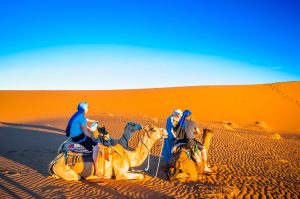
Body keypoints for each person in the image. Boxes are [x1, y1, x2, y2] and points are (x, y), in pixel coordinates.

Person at [65, 102, 103, 178]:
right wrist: (93, 138)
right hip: (79, 137)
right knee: (96, 146)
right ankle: (97, 170)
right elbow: (86, 132)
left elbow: (86, 119)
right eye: (87, 107)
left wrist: (93, 121)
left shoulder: (77, 114)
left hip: (74, 136)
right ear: (85, 109)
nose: (88, 109)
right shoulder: (82, 118)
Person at [174, 110, 212, 174]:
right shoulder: (193, 123)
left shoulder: (179, 123)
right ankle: (205, 167)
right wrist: (197, 132)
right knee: (203, 149)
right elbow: (198, 131)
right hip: (189, 141)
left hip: (179, 141)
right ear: (190, 116)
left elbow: (175, 131)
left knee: (173, 149)